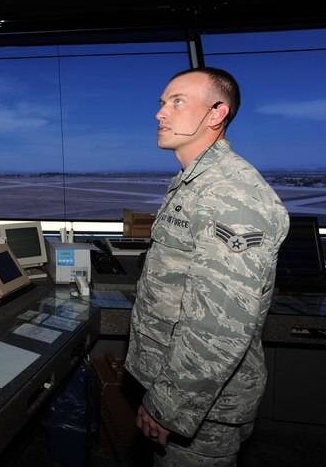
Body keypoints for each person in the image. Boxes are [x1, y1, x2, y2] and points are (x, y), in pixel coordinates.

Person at [124, 66, 290, 465]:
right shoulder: (192, 182)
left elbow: (219, 323)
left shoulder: (232, 195)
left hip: (200, 405)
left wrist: (168, 405)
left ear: (216, 114)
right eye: (162, 103)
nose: (160, 113)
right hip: (179, 386)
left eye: (177, 101)